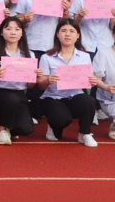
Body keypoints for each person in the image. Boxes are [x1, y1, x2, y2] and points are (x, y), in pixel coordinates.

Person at [15, 0, 69, 125]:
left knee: (45, 77)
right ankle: (28, 111)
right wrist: (25, 19)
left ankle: (42, 110)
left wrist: (66, 11)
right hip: (30, 43)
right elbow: (18, 21)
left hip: (51, 45)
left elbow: (64, 23)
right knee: (30, 78)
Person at [37, 19, 99, 147]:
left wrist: (92, 81)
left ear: (78, 35)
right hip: (53, 97)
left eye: (72, 31)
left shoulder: (84, 56)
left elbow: (89, 80)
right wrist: (47, 80)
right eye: (63, 31)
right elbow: (40, 85)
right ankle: (53, 125)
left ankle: (85, 133)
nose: (67, 34)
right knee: (60, 120)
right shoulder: (46, 57)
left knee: (88, 101)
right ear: (57, 34)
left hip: (75, 96)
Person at [0, 17, 42, 145]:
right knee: (11, 99)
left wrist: (35, 78)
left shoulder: (29, 55)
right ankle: (1, 130)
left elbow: (29, 86)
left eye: (17, 29)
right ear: (1, 32)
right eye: (8, 29)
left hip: (19, 94)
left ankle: (9, 127)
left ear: (22, 33)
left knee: (26, 129)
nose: (13, 32)